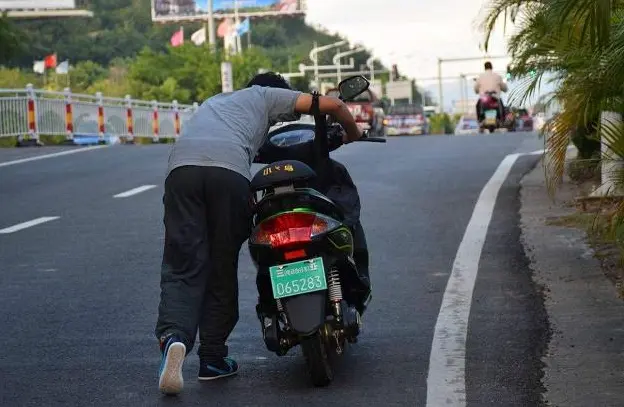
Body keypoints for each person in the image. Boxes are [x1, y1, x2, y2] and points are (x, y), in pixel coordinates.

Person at [155, 72, 363, 396]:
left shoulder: (216, 102)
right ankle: (212, 357)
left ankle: (174, 338)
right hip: (228, 174)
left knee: (183, 265)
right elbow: (332, 105)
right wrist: (353, 132)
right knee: (221, 265)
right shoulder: (265, 96)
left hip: (182, 172)